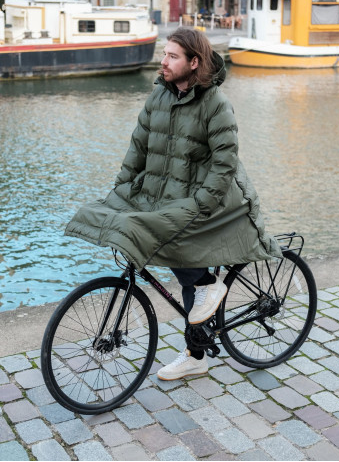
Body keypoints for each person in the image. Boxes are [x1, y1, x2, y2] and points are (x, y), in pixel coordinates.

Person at [65, 27, 281, 381]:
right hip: (161, 193)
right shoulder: (158, 97)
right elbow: (138, 149)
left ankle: (203, 310)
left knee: (177, 247)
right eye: (164, 54)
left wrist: (200, 205)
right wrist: (120, 189)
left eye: (172, 56)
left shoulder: (215, 104)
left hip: (209, 198)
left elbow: (224, 164)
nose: (163, 62)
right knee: (107, 215)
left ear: (194, 63)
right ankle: (198, 347)